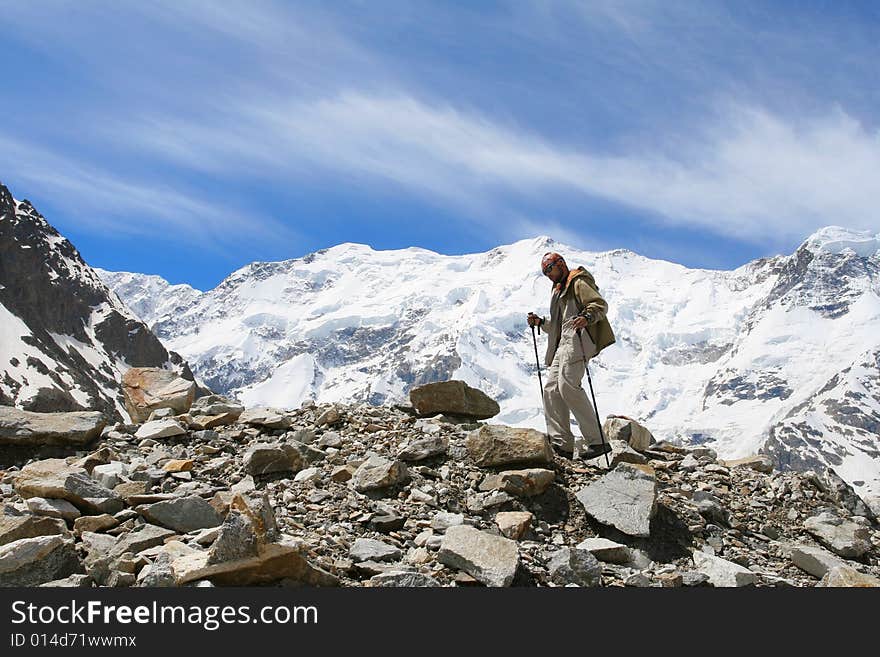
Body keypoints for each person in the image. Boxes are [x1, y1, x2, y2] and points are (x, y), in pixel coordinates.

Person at [527, 251, 615, 459]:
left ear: (561, 264)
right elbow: (558, 326)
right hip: (563, 342)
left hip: (578, 339)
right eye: (544, 272)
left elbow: (599, 305)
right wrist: (541, 323)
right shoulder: (558, 290)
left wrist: (587, 316)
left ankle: (597, 441)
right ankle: (561, 443)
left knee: (567, 385)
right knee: (551, 389)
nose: (548, 274)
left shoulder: (577, 281)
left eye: (550, 269)